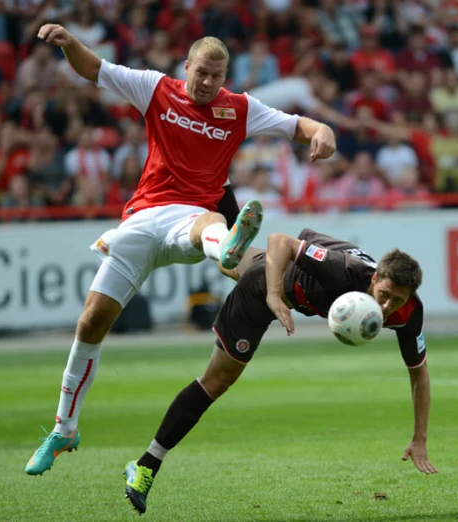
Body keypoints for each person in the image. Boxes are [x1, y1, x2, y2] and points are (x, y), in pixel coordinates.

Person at [25, 25, 337, 477]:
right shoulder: (156, 89)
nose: (207, 82)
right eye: (201, 73)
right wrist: (70, 44)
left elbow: (297, 126)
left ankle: (228, 244)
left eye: (217, 75)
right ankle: (64, 428)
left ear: (225, 76)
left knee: (209, 225)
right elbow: (94, 69)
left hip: (192, 218)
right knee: (90, 322)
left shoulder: (240, 109)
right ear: (187, 67)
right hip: (141, 220)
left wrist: (321, 129)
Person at [122, 229, 435, 514]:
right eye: (385, 294)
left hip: (284, 273)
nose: (386, 307)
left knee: (231, 263)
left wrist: (419, 438)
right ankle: (145, 465)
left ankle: (224, 248)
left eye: (398, 300)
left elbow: (419, 373)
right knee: (216, 381)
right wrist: (273, 296)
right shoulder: (343, 270)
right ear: (375, 277)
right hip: (264, 292)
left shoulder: (409, 313)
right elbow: (280, 241)